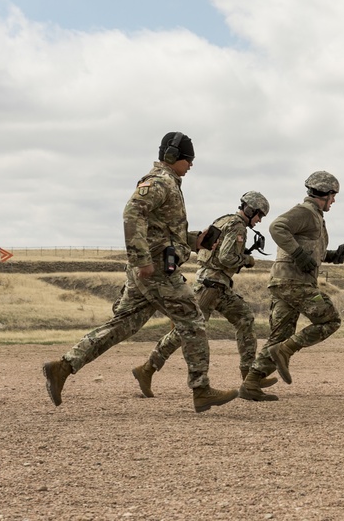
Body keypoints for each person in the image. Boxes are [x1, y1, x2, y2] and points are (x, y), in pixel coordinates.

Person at [41, 131, 238, 413]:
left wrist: (196, 240)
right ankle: (201, 389)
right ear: (174, 157)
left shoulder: (169, 183)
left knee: (122, 326)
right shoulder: (160, 182)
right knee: (193, 320)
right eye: (188, 159)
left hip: (151, 269)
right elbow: (131, 214)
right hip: (155, 270)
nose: (191, 165)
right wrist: (140, 259)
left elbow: (165, 232)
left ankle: (62, 367)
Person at [131, 191, 280, 401]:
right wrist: (246, 259)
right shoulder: (237, 225)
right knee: (187, 329)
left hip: (218, 285)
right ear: (249, 210)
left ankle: (250, 378)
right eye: (259, 215)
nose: (259, 220)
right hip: (211, 286)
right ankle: (148, 368)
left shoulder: (223, 220)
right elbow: (227, 257)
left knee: (245, 318)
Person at [246, 171, 344, 392]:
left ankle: (251, 382)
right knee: (331, 320)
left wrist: (330, 256)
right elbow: (277, 227)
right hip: (294, 283)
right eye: (333, 195)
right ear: (325, 193)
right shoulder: (306, 212)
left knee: (280, 336)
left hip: (285, 282)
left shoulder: (314, 216)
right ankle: (286, 350)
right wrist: (299, 255)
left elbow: (308, 249)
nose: (334, 200)